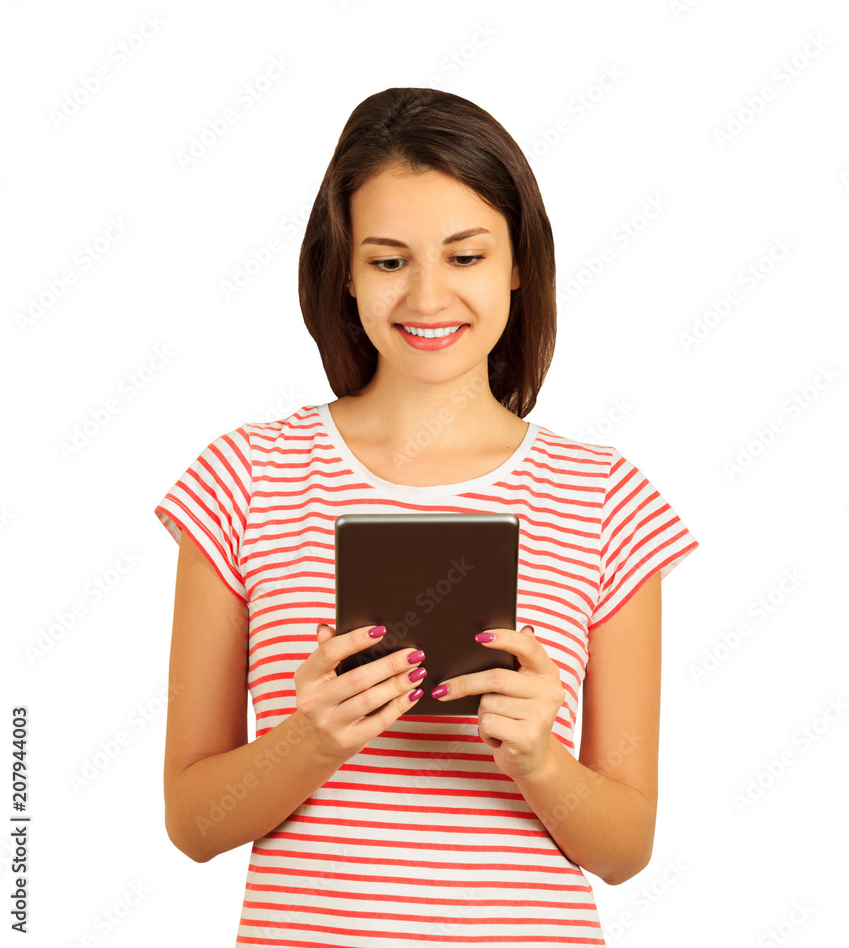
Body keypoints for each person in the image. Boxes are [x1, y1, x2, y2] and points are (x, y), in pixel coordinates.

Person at [154, 86, 699, 946]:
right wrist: (312, 741)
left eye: (465, 256)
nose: (428, 296)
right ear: (344, 270)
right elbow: (192, 822)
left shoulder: (604, 496)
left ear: (519, 263)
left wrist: (540, 761)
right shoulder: (245, 479)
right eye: (388, 260)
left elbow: (626, 848)